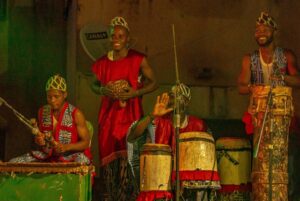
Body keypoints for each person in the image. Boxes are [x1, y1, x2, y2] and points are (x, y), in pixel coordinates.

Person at [90, 16, 157, 200]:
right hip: (109, 120)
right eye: (113, 35)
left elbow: (154, 82)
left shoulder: (138, 59)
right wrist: (103, 89)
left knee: (130, 166)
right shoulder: (103, 62)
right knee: (111, 172)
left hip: (131, 117)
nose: (116, 39)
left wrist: (134, 93)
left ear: (127, 38)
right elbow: (93, 85)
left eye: (121, 35)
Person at [237, 12, 300, 201]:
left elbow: (298, 80)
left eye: (265, 29)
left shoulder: (286, 56)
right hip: (259, 118)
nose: (260, 33)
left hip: (282, 119)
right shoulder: (249, 59)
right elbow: (240, 86)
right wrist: (252, 88)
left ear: (274, 31)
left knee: (286, 164)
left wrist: (283, 78)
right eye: (257, 30)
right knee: (260, 164)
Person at [127, 83, 220, 201]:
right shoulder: (160, 121)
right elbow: (132, 136)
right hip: (162, 182)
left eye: (180, 97)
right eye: (174, 96)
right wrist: (153, 115)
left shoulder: (198, 125)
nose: (177, 100)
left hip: (188, 184)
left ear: (187, 102)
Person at [9, 74, 92, 165]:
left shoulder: (76, 114)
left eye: (56, 96)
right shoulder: (42, 111)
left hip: (69, 156)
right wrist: (39, 140)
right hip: (46, 156)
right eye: (49, 97)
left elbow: (85, 143)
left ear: (65, 95)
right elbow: (41, 139)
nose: (52, 100)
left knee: (81, 162)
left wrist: (66, 147)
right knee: (13, 163)